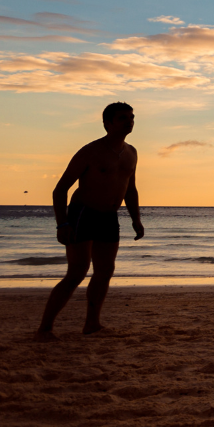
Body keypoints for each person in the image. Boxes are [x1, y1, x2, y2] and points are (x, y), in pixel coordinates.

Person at [38, 102, 143, 339]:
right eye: (122, 118)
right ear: (107, 123)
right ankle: (44, 328)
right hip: (83, 212)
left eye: (131, 117)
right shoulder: (90, 151)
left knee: (105, 270)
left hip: (109, 216)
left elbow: (131, 189)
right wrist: (62, 223)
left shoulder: (131, 152)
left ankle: (92, 324)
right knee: (77, 272)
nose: (129, 121)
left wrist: (136, 219)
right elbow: (60, 189)